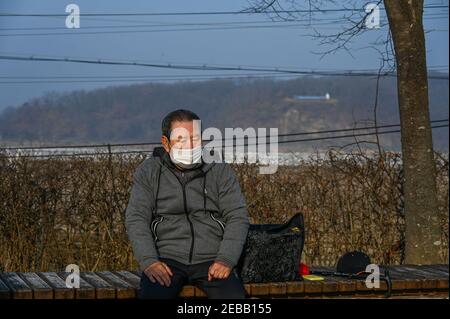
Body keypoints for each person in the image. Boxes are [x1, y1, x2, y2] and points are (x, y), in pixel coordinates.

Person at [125, 109, 250, 299]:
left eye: (195, 138)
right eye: (181, 139)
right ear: (166, 143)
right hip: (166, 261)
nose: (190, 145)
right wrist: (149, 261)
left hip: (213, 260)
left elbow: (237, 215)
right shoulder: (149, 171)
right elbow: (136, 218)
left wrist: (226, 259)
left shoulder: (219, 169)